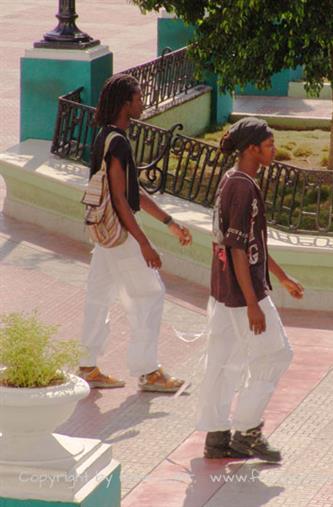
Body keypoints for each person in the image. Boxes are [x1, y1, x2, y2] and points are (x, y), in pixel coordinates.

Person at [196, 118, 304, 461]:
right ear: (252, 149)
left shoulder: (231, 179)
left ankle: (217, 436)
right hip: (243, 294)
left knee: (225, 360)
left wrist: (282, 277)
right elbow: (238, 248)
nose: (274, 150)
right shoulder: (243, 187)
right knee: (276, 354)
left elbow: (249, 242)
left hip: (224, 291)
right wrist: (254, 303)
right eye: (269, 145)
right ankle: (248, 431)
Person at [78, 74, 192, 392]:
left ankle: (87, 364)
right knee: (151, 293)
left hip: (103, 233)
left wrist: (169, 222)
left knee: (98, 295)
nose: (143, 103)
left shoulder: (105, 137)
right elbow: (119, 199)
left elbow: (132, 192)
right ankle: (148, 371)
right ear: (126, 103)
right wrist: (144, 244)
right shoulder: (120, 143)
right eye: (139, 98)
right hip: (120, 235)